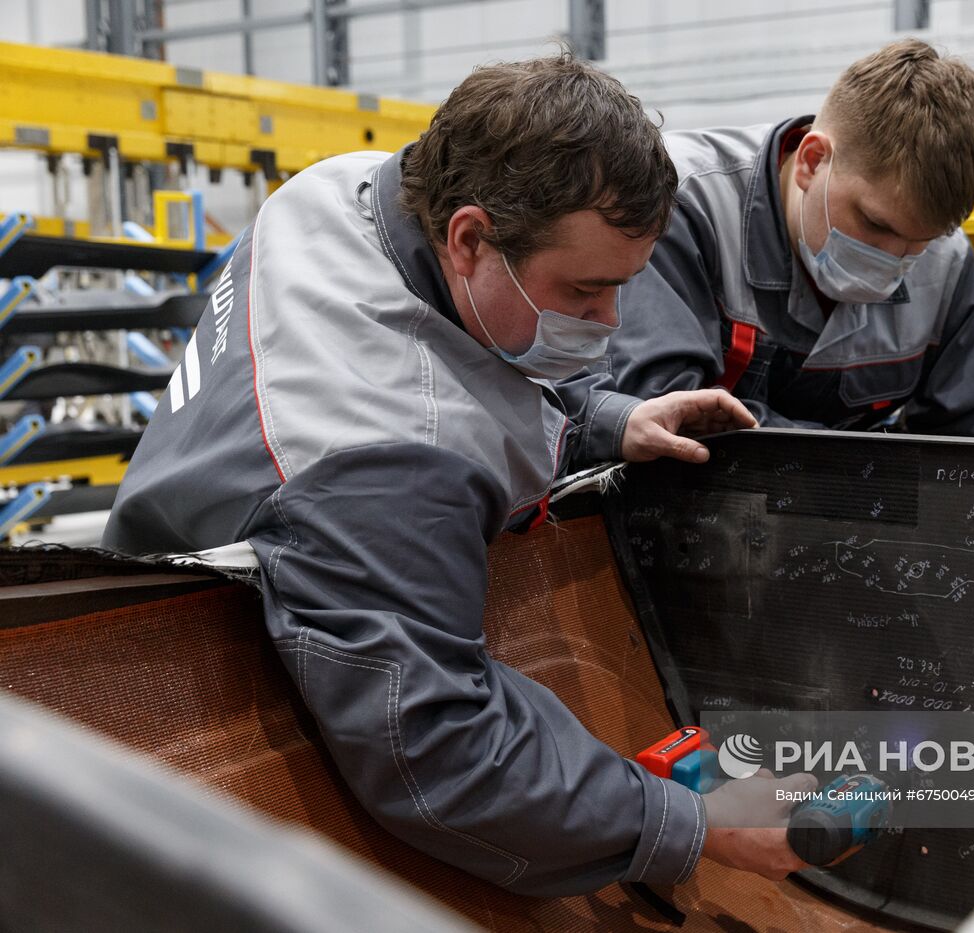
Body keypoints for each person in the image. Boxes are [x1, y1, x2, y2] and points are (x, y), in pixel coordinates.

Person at [102, 53, 815, 895]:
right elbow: (445, 756)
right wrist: (694, 822)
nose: (610, 321)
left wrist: (605, 419)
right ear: (470, 237)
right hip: (175, 720)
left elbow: (460, 340)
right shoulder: (382, 459)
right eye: (585, 291)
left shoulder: (342, 192)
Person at [559, 38, 974, 467]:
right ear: (813, 161)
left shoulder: (948, 261)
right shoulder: (675, 201)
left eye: (919, 243)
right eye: (876, 224)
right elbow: (668, 409)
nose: (892, 261)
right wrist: (864, 470)